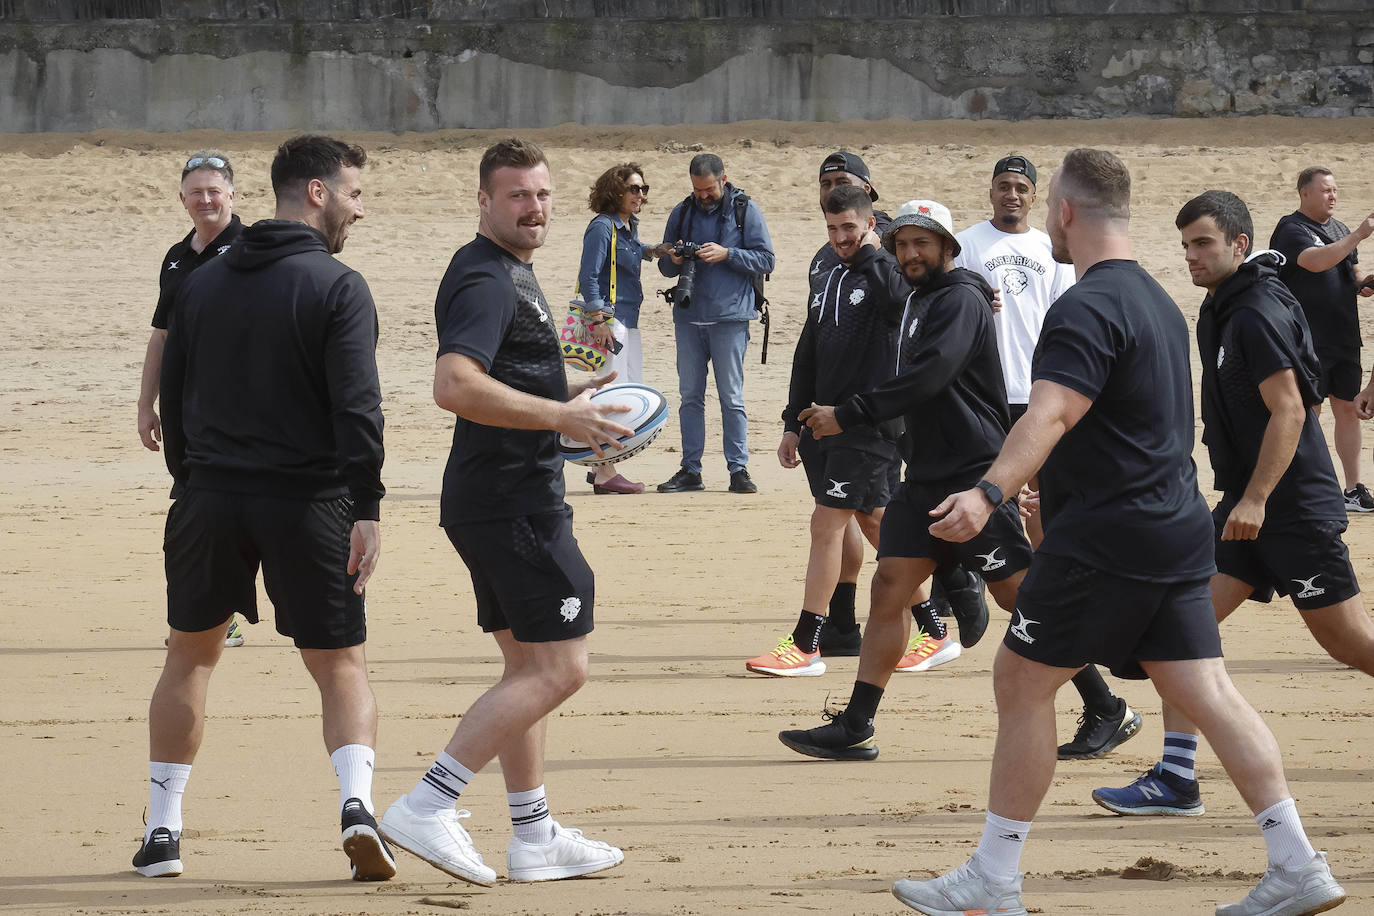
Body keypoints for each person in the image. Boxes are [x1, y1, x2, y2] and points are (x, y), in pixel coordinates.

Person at [891, 149, 1346, 916]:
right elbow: (1124, 418)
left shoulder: (1086, 304)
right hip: (1173, 527)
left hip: (1110, 536)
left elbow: (1052, 411)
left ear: (1064, 212)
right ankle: (1297, 862)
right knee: (1206, 688)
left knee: (1021, 680)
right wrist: (1051, 485)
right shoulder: (1160, 302)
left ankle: (994, 879)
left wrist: (988, 491)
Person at [135, 135, 390, 882]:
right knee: (340, 663)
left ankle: (162, 832)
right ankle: (356, 807)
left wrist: (194, 481)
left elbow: (175, 403)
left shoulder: (199, 284)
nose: (359, 209)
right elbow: (359, 410)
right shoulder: (338, 285)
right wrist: (367, 505)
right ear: (314, 193)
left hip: (209, 497)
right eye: (352, 192)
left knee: (189, 657)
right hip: (309, 500)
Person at [378, 138, 628, 887]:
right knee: (561, 667)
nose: (535, 207)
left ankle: (535, 834)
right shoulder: (485, 277)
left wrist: (572, 402)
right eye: (518, 195)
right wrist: (560, 415)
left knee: (527, 665)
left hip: (492, 497)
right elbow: (453, 384)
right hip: (511, 502)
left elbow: (502, 380)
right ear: (484, 201)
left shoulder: (510, 273)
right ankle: (429, 801)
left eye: (544, 194)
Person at [1093, 190, 1374, 819]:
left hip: (1290, 509)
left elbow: (1291, 410)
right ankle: (1176, 776)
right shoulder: (1221, 309)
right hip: (1246, 513)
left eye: (1203, 243)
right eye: (1186, 244)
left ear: (1239, 244)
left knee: (1354, 647)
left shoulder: (1255, 313)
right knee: (1177, 631)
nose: (1191, 256)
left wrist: (1255, 499)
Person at [775, 198, 1034, 760]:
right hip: (925, 473)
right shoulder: (917, 297)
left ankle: (1106, 705)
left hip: (972, 473)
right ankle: (857, 724)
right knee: (889, 585)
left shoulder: (960, 297)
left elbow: (929, 376)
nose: (911, 253)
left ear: (946, 246)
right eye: (903, 244)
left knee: (1021, 596)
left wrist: (850, 412)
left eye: (923, 243)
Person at [955, 155, 1139, 761]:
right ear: (991, 191)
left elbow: (1069, 311)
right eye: (1002, 185)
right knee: (1005, 544)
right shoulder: (966, 244)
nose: (1011, 194)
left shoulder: (1051, 252)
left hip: (1043, 397)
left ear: (1038, 198)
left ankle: (1103, 698)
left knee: (1032, 535)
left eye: (1021, 187)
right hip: (985, 396)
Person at [795, 151, 989, 667]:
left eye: (850, 225)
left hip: (873, 418)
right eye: (832, 222)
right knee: (878, 523)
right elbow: (809, 341)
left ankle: (804, 644)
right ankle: (934, 627)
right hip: (833, 416)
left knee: (831, 520)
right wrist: (795, 416)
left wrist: (877, 256)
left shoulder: (894, 265)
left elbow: (910, 319)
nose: (842, 235)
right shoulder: (824, 264)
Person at [138, 151, 247, 648]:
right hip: (183, 409)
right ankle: (214, 616)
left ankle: (213, 616)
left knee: (217, 509)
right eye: (196, 191)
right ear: (182, 199)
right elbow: (161, 335)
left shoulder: (250, 248)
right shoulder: (176, 257)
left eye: (214, 189)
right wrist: (146, 404)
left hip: (236, 409)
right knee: (193, 507)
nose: (206, 199)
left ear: (232, 194)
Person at [656, 153, 775, 495]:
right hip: (689, 316)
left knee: (731, 398)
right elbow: (666, 268)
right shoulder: (682, 212)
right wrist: (675, 257)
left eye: (708, 189)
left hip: (731, 318)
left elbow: (767, 259)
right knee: (690, 397)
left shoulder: (745, 210)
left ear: (724, 179)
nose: (703, 196)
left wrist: (728, 254)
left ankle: (738, 469)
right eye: (697, 190)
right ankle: (690, 469)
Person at [1269, 167, 1374, 511]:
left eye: (1335, 190)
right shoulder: (1291, 228)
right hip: (1308, 340)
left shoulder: (1339, 229)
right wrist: (1359, 234)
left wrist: (1364, 283)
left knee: (1346, 408)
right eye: (1326, 190)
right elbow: (1314, 262)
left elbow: (1349, 269)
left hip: (1344, 336)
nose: (1333, 196)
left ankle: (1353, 489)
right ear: (1305, 193)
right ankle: (1307, 487)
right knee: (1308, 412)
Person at [576, 162, 671, 494]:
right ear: (615, 191)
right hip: (611, 321)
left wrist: (653, 251)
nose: (641, 195)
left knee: (626, 390)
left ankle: (600, 465)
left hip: (628, 320)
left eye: (644, 189)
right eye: (634, 188)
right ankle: (604, 473)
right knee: (611, 396)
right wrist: (599, 319)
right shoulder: (602, 227)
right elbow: (589, 276)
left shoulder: (627, 227)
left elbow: (628, 253)